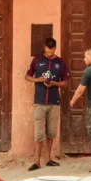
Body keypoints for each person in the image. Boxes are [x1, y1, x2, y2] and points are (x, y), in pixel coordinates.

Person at [24, 36, 67, 171]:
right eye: (48, 51)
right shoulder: (37, 60)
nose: (50, 54)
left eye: (52, 51)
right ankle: (37, 161)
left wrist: (55, 83)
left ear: (55, 49)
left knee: (51, 132)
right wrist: (37, 80)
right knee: (39, 133)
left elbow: (65, 82)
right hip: (40, 102)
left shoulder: (60, 62)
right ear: (44, 48)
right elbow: (27, 76)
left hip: (54, 102)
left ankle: (48, 159)